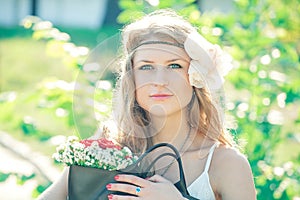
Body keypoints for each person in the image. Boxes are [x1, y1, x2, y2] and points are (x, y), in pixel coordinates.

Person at [38, 9, 256, 200]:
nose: (159, 81)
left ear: (195, 75)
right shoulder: (109, 144)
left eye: (174, 66)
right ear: (131, 78)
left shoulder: (225, 164)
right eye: (146, 67)